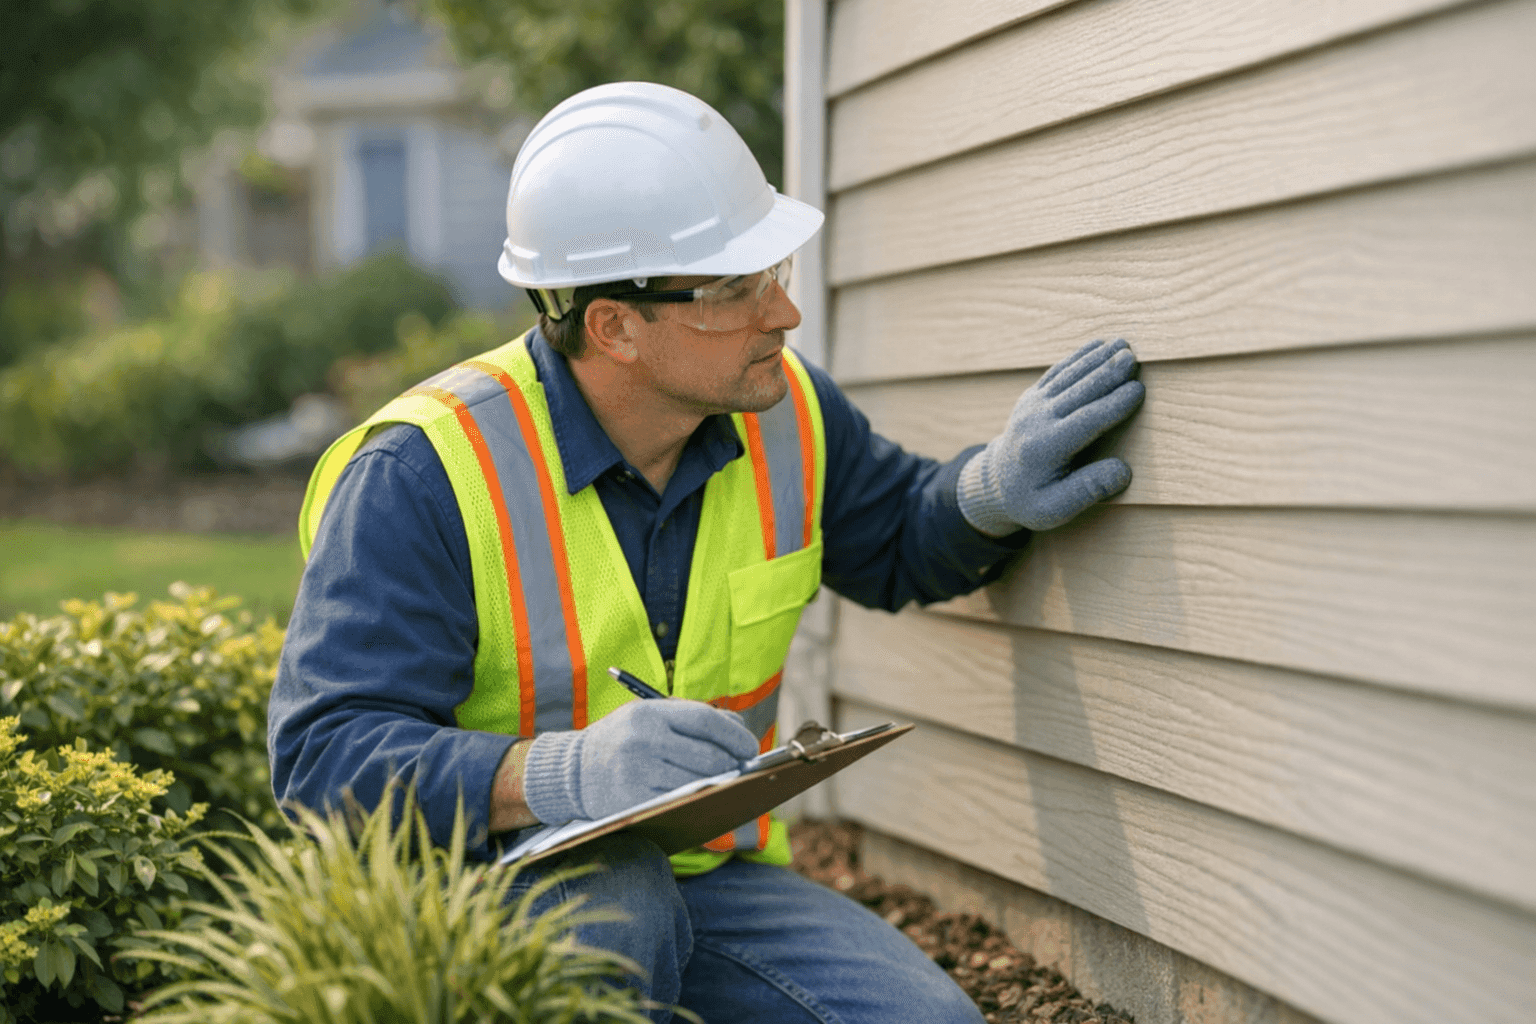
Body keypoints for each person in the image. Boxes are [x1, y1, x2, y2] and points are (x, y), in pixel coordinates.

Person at [269, 82, 1144, 1024]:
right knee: (613, 922)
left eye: (775, 270)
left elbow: (894, 536)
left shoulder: (784, 412)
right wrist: (557, 776)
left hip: (708, 879)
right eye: (736, 289)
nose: (783, 313)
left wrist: (987, 494)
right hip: (481, 890)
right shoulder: (423, 475)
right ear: (614, 327)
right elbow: (326, 760)